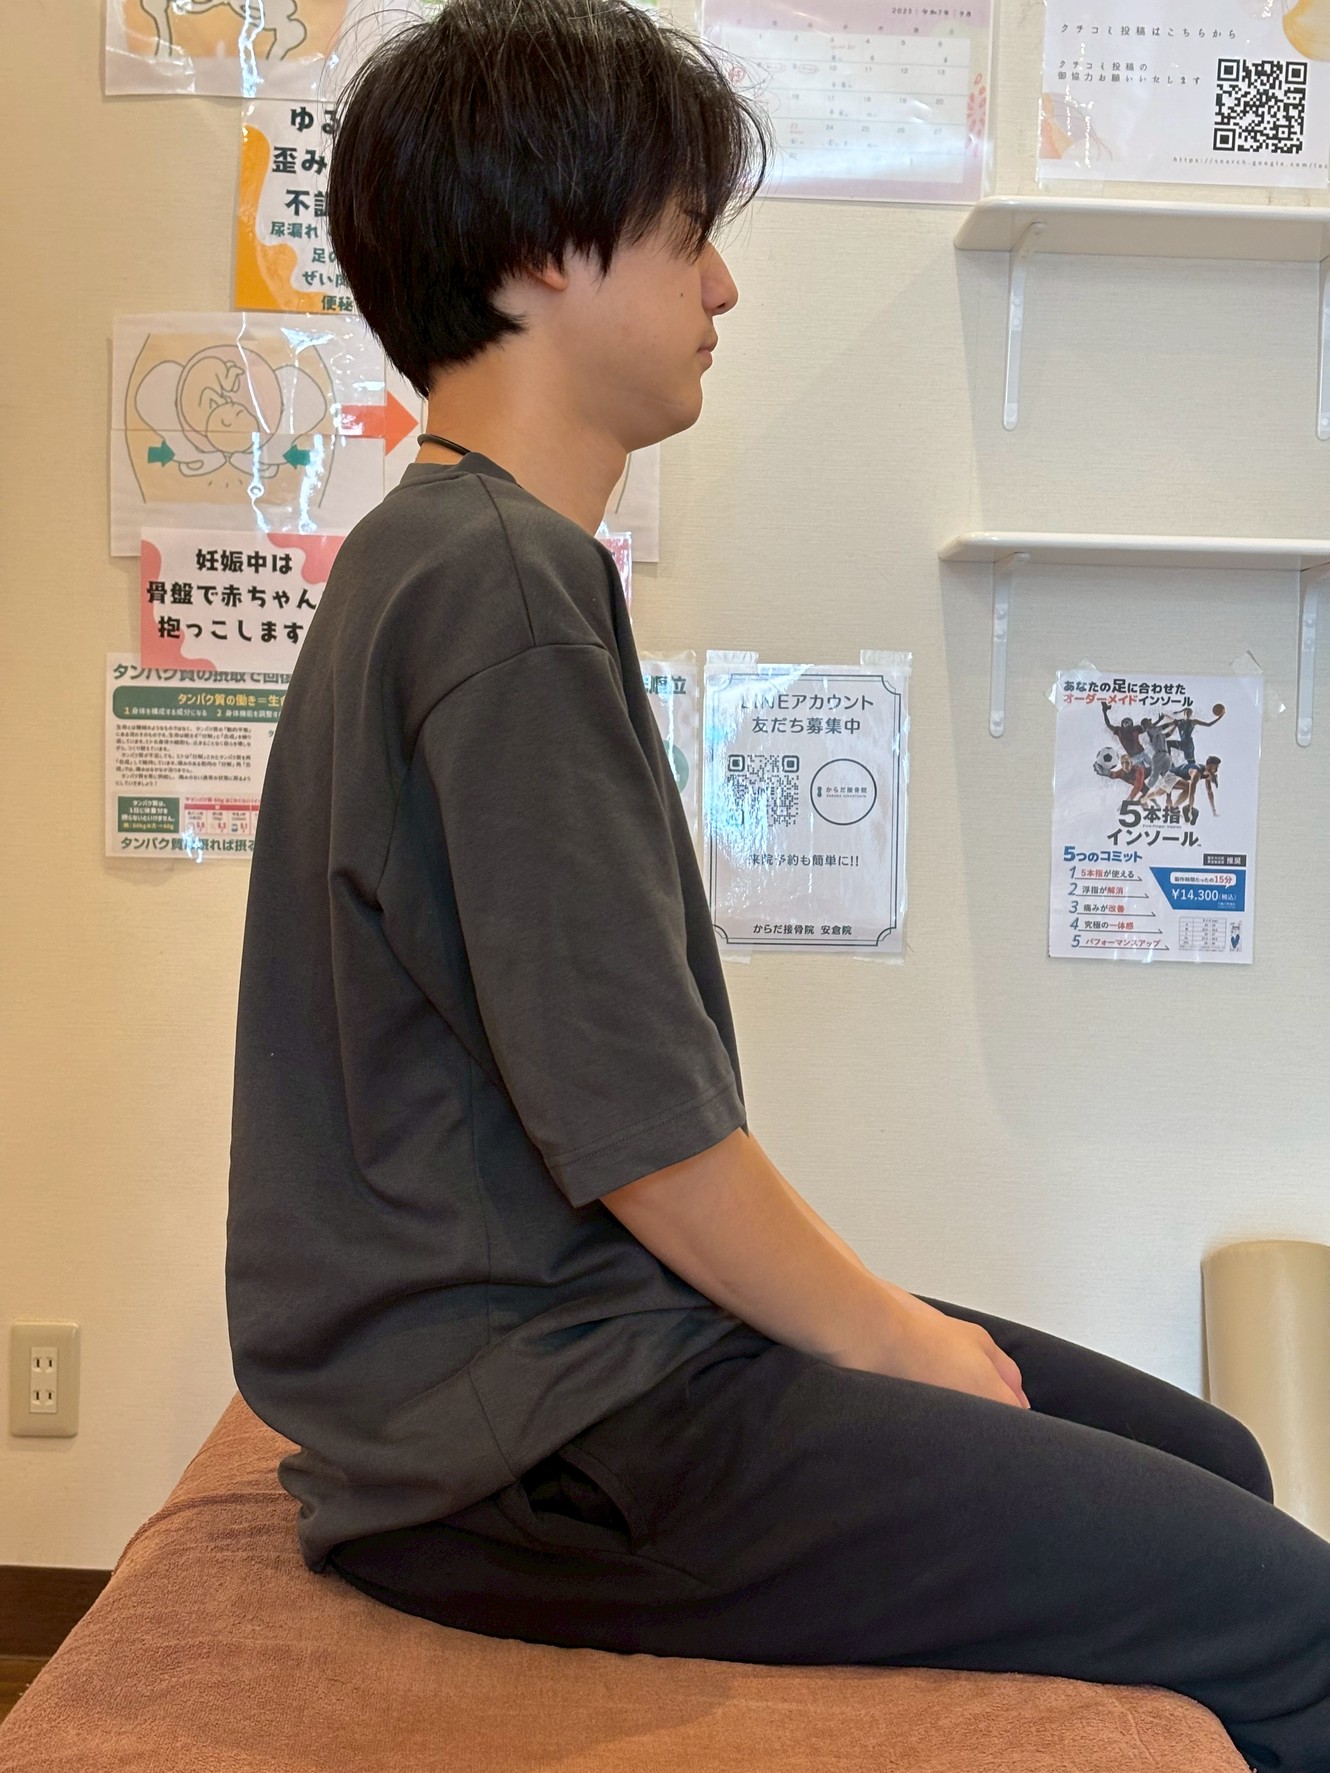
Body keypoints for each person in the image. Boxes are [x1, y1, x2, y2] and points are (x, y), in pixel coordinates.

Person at [222, 4, 1330, 1769]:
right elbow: (646, 1139)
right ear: (543, 251)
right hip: (542, 1439)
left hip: (531, 1386)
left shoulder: (437, 554)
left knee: (1216, 1458)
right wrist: (899, 1342)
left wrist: (892, 1338)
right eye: (687, 235)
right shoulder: (494, 589)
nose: (723, 288)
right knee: (1298, 1618)